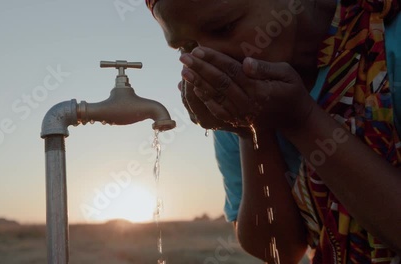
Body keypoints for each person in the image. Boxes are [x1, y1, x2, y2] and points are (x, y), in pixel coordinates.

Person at [146, 0, 401, 263]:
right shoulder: (232, 102)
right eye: (188, 47)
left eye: (224, 28)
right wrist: (251, 132)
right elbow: (280, 251)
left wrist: (301, 121)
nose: (210, 58)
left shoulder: (390, 34)